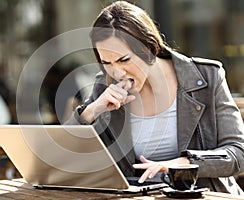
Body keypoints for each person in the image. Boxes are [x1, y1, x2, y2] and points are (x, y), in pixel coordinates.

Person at [65, 1, 244, 195]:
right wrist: (92, 110)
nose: (116, 72)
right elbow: (62, 152)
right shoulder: (105, 86)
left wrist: (185, 163)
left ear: (149, 46)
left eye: (124, 59)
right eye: (106, 62)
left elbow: (239, 153)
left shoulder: (207, 77)